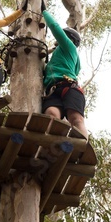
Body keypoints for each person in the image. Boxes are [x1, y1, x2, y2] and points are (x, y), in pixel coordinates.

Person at [41, 8, 87, 137]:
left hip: (69, 87)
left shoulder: (69, 46)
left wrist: (44, 11)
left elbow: (55, 27)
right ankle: (49, 144)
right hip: (53, 91)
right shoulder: (59, 57)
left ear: (69, 38)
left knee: (75, 119)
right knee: (51, 114)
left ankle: (82, 149)